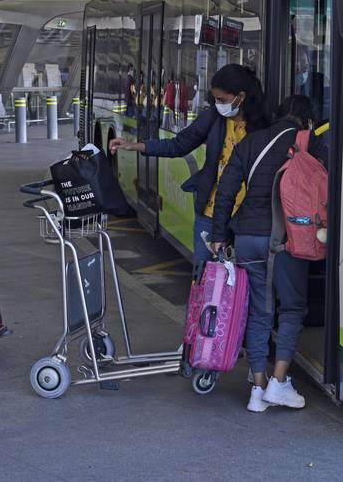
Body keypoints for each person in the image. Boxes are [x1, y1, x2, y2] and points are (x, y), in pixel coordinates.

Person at [208, 94, 326, 413]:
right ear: (307, 121)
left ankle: (257, 388)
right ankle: (279, 382)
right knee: (291, 309)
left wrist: (219, 234)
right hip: (285, 239)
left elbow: (226, 190)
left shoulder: (250, 141)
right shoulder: (309, 141)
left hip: (246, 236)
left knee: (259, 310)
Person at [108, 64, 267, 265]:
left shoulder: (263, 126)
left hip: (246, 218)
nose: (218, 104)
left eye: (222, 100)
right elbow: (178, 145)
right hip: (210, 214)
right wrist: (134, 146)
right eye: (215, 99)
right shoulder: (214, 118)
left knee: (240, 284)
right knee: (204, 277)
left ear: (241, 97)